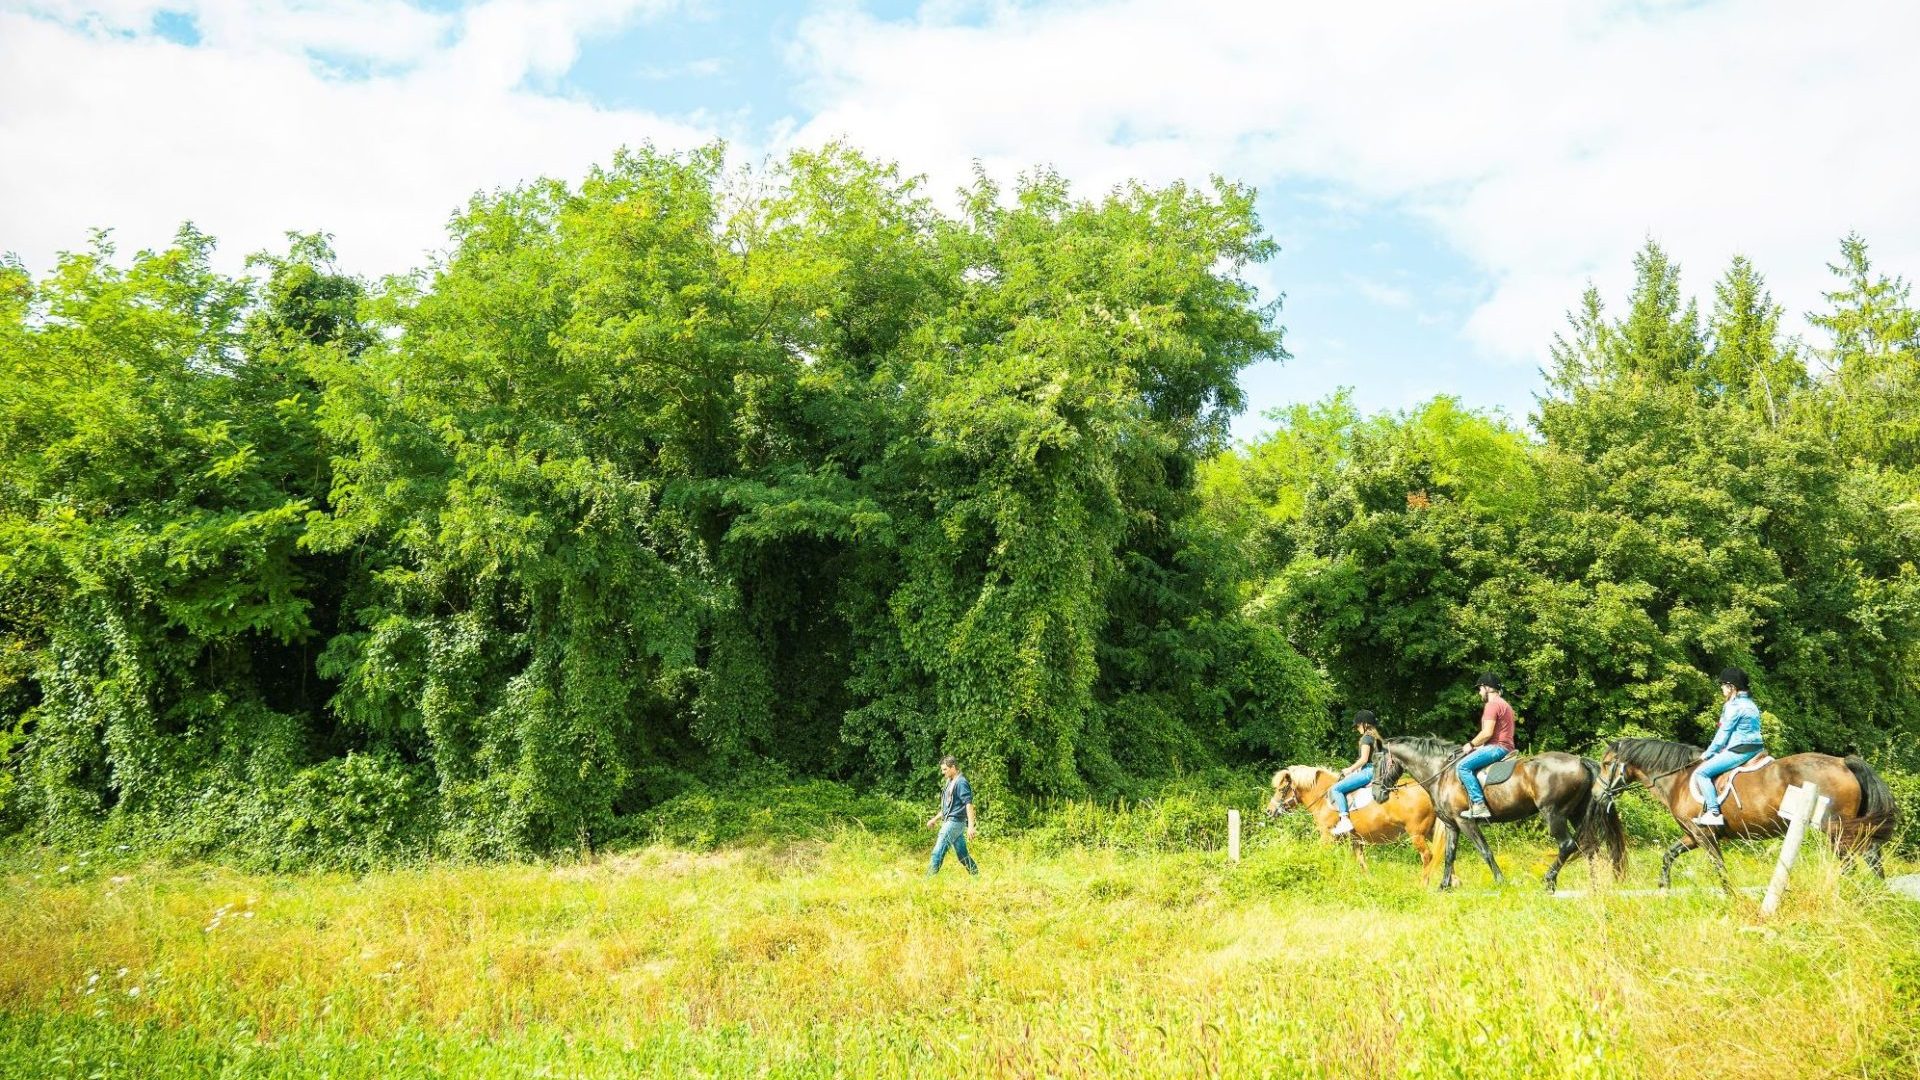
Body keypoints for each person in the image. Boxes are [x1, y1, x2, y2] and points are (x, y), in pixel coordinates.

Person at [1690, 667, 1764, 827]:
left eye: (1723, 685)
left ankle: (1713, 812)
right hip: (1756, 748)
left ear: (1732, 687)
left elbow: (1722, 735)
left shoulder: (1734, 706)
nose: (1721, 688)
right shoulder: (1751, 704)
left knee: (1702, 773)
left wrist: (1708, 754)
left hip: (1740, 749)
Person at [1457, 673, 1517, 820]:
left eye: (1480, 689)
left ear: (1487, 688)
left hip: (1498, 748)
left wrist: (1471, 744)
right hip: (1505, 746)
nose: (1479, 693)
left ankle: (1479, 805)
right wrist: (1481, 747)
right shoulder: (1505, 704)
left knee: (1462, 767)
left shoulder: (1492, 705)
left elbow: (1487, 732)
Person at [1329, 711, 1384, 836]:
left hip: (1368, 772)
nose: (1357, 729)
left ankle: (1344, 820)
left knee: (1336, 789)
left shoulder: (1366, 738)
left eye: (1358, 726)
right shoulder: (1376, 738)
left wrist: (1350, 769)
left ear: (1365, 724)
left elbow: (1364, 759)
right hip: (1376, 770)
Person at [926, 755, 979, 876]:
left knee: (937, 851)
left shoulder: (961, 782)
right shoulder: (950, 782)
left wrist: (971, 826)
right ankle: (976, 876)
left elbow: (969, 805)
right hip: (952, 822)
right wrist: (934, 819)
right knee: (962, 855)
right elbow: (947, 808)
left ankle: (927, 882)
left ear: (953, 767)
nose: (942, 772)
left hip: (954, 823)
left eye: (945, 769)